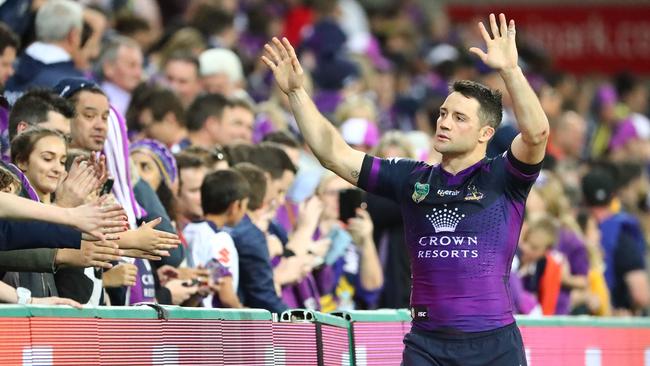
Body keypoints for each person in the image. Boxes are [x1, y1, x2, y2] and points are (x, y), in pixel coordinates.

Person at [262, 13, 548, 365]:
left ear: (485, 134)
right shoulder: (412, 178)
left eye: (459, 118)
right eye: (443, 113)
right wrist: (296, 93)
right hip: (426, 345)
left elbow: (536, 135)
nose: (444, 122)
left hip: (493, 345)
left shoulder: (503, 177)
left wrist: (510, 71)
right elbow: (334, 155)